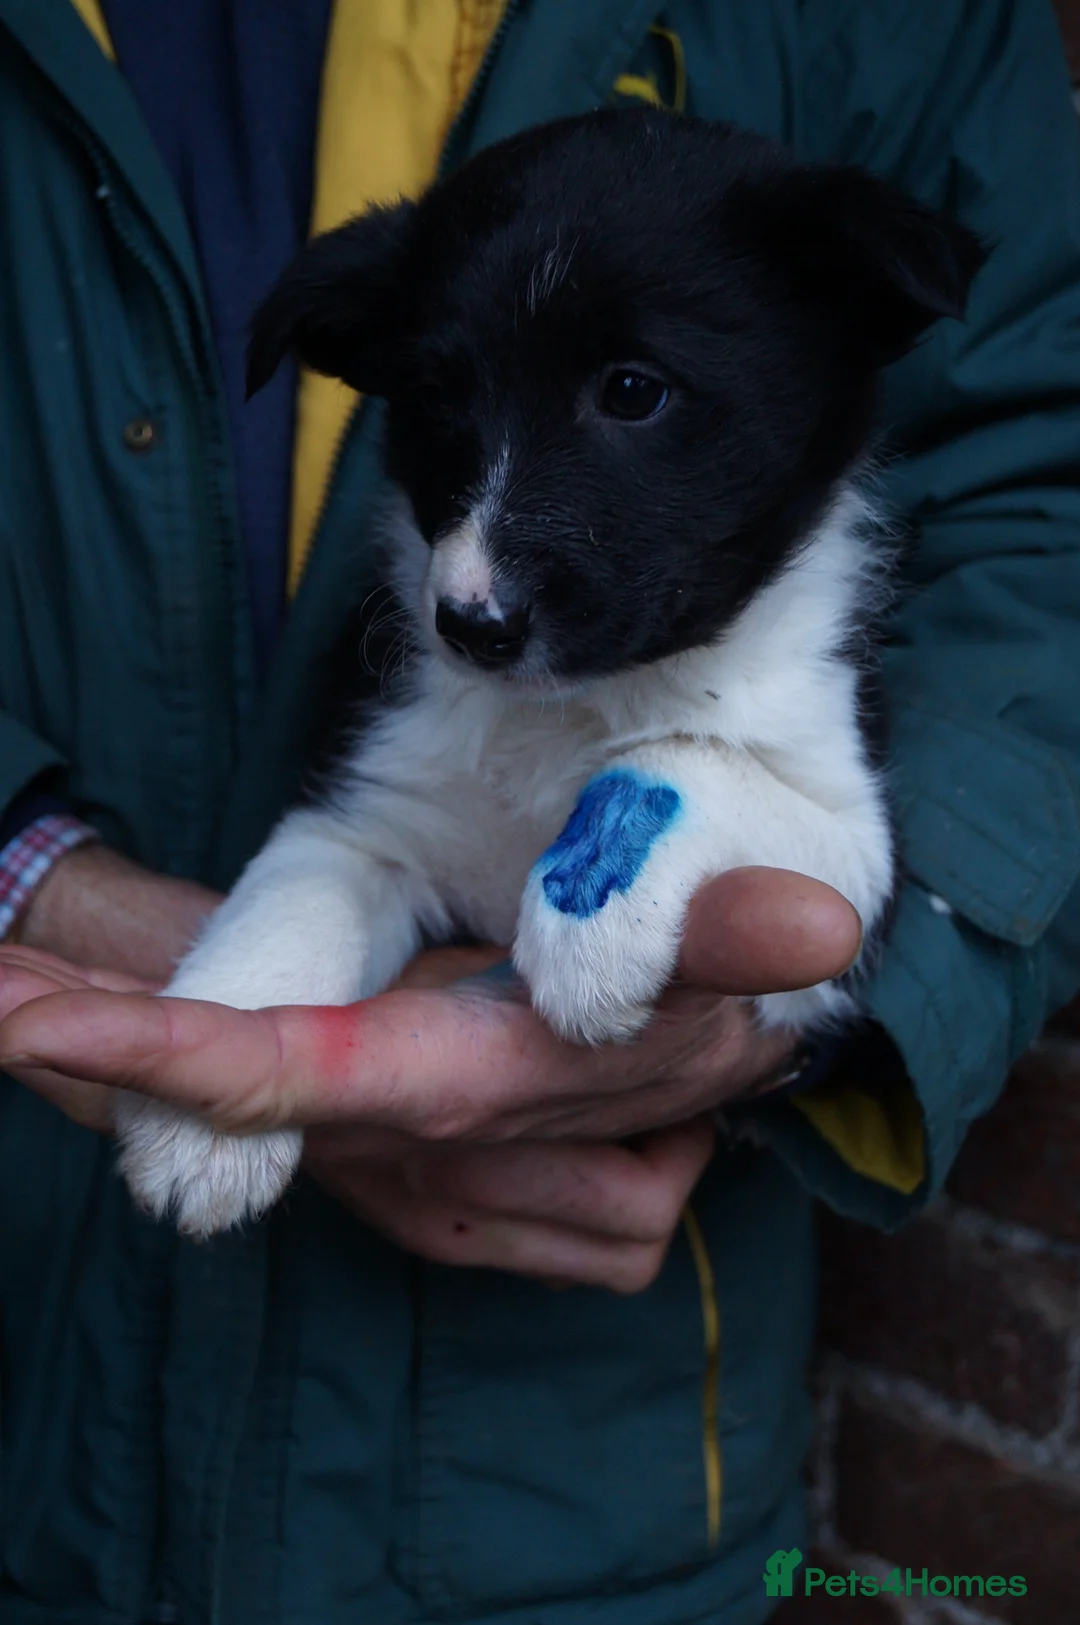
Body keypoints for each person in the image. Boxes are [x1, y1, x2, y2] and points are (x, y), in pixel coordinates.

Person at [0, 3, 1078, 1622]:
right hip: (49, 1405)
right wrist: (226, 1009)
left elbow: (844, 835)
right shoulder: (454, 648)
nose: (475, 584)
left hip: (573, 1487)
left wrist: (674, 864)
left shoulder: (784, 663)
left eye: (633, 394)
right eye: (446, 407)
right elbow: (363, 846)